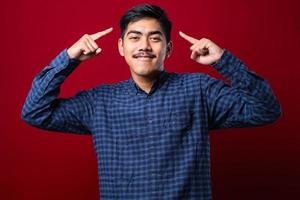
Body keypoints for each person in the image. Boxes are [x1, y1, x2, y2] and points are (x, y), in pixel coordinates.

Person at [21, 4, 281, 200]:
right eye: (134, 37)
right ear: (121, 47)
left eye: (155, 38)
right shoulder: (98, 101)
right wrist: (69, 58)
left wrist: (222, 60)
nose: (144, 45)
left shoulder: (199, 89)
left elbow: (266, 110)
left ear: (168, 49)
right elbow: (35, 112)